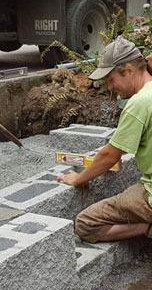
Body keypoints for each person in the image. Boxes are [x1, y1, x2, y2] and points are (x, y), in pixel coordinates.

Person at [58, 38, 152, 243]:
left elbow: (109, 154)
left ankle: (148, 226)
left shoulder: (139, 103)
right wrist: (122, 149)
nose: (109, 87)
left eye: (111, 79)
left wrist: (79, 179)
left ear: (128, 70)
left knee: (85, 224)